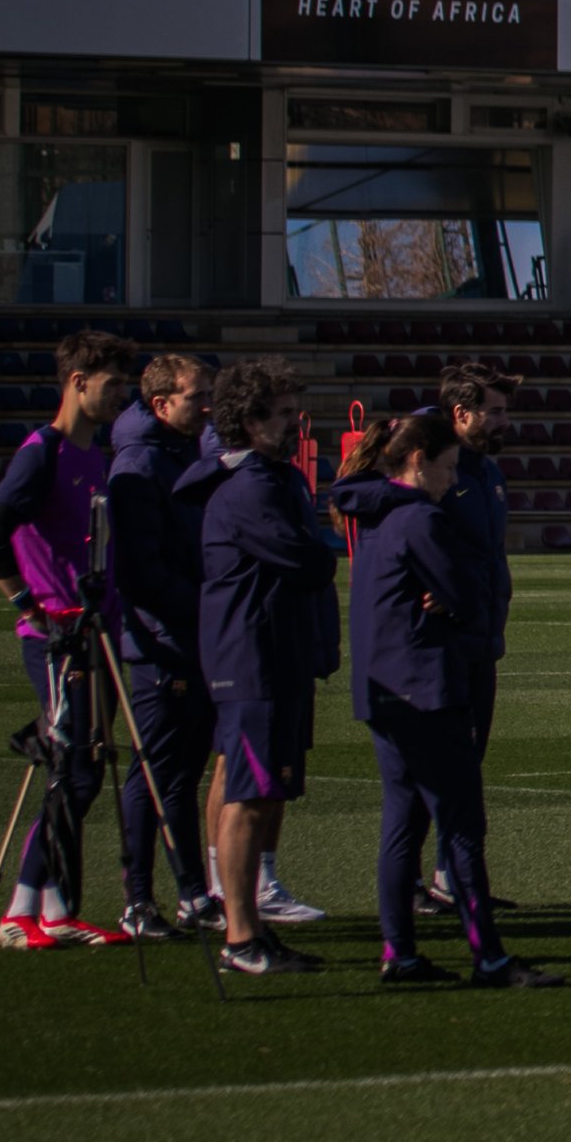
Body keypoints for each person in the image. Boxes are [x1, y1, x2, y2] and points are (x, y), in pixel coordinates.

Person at [337, 413, 557, 988]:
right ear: (419, 460)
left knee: (401, 825)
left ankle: (400, 954)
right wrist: (453, 599)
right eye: (448, 466)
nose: (452, 478)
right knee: (460, 827)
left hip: (382, 689)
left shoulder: (376, 516)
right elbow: (465, 595)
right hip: (425, 690)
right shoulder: (419, 519)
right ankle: (487, 957)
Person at [0, 328, 130, 951]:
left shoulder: (100, 454)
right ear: (78, 381)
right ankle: (20, 913)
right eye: (113, 382)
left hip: (98, 629)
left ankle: (57, 909)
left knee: (83, 770)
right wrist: (27, 606)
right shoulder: (41, 452)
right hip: (59, 636)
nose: (122, 394)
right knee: (71, 769)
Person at [189, 357, 342, 976]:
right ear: (249, 421)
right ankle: (242, 935)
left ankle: (247, 926)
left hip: (270, 656)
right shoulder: (252, 487)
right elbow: (308, 561)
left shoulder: (269, 481)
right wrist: (317, 551)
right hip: (252, 659)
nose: (293, 424)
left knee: (259, 791)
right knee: (248, 797)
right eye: (281, 414)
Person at [105, 346, 217, 938]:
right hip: (160, 642)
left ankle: (191, 894)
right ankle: (137, 901)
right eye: (198, 397)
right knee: (153, 772)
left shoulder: (181, 452)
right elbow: (141, 572)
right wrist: (207, 605)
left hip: (191, 634)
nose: (208, 407)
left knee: (179, 774)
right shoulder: (139, 468)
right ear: (161, 402)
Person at [425, 361, 521, 909]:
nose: (506, 421)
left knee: (468, 764)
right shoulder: (435, 468)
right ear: (461, 415)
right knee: (438, 770)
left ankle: (450, 877)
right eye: (496, 411)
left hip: (482, 641)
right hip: (443, 644)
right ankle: (427, 883)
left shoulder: (488, 472)